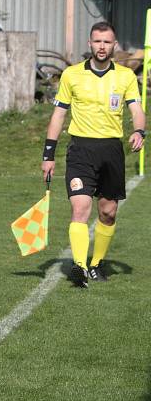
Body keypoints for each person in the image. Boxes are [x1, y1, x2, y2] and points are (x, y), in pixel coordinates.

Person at [41, 21, 145, 288]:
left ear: (114, 45)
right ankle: (79, 267)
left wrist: (139, 131)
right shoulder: (72, 75)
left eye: (107, 42)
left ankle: (96, 263)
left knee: (108, 212)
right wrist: (48, 154)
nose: (102, 46)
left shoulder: (125, 77)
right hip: (81, 150)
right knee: (80, 208)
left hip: (111, 150)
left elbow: (136, 110)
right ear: (89, 44)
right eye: (97, 41)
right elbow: (58, 115)